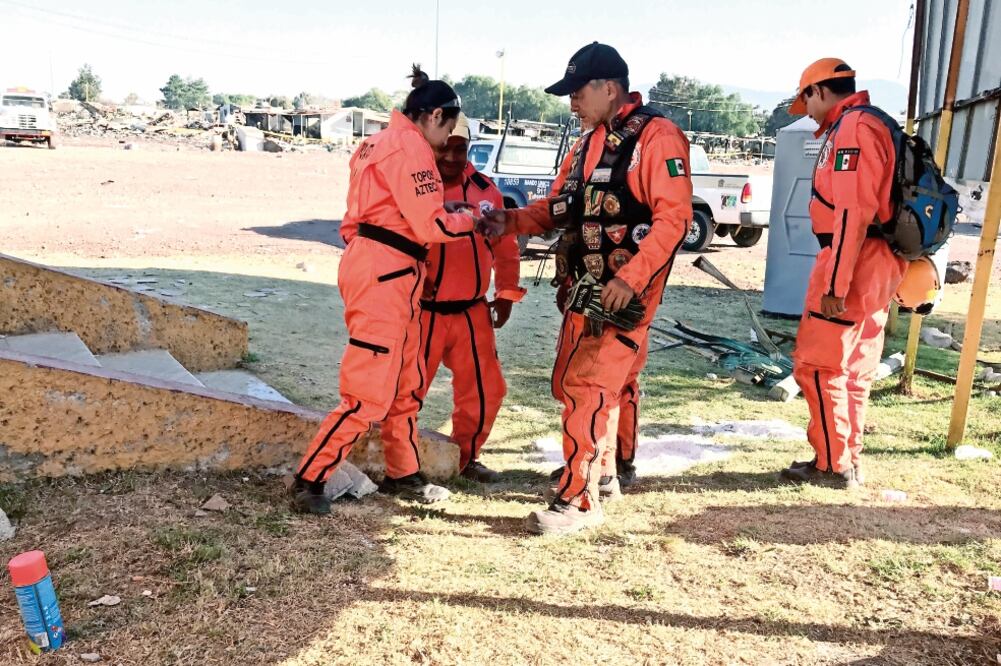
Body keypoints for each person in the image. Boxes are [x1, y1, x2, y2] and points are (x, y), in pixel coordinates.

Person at [480, 42, 693, 535]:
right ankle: (603, 472)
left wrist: (629, 279)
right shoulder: (588, 143)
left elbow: (674, 220)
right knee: (583, 383)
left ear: (609, 88)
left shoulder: (658, 138)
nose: (570, 101)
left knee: (588, 386)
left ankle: (578, 501)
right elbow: (561, 207)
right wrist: (508, 221)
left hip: (625, 291)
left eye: (577, 91)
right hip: (587, 288)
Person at [291, 66, 480, 514]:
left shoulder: (376, 141)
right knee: (369, 390)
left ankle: (404, 471)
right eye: (449, 128)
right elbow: (431, 224)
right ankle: (308, 479)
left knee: (406, 382)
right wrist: (474, 219)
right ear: (434, 115)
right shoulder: (410, 148)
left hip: (386, 268)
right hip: (387, 274)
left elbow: (369, 217)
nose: (448, 140)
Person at [780, 58, 908, 488]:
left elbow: (854, 210)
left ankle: (832, 465)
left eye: (807, 102)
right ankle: (845, 458)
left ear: (818, 91)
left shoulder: (853, 128)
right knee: (853, 369)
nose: (809, 114)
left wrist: (836, 282)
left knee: (818, 365)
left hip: (853, 259)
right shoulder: (874, 123)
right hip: (877, 259)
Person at [384, 113, 525, 482]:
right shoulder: (414, 184)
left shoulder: (486, 190)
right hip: (423, 313)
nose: (449, 158)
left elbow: (506, 246)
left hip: (471, 313)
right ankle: (398, 465)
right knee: (405, 393)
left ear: (469, 150)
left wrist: (506, 292)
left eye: (459, 150)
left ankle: (463, 459)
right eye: (443, 149)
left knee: (486, 391)